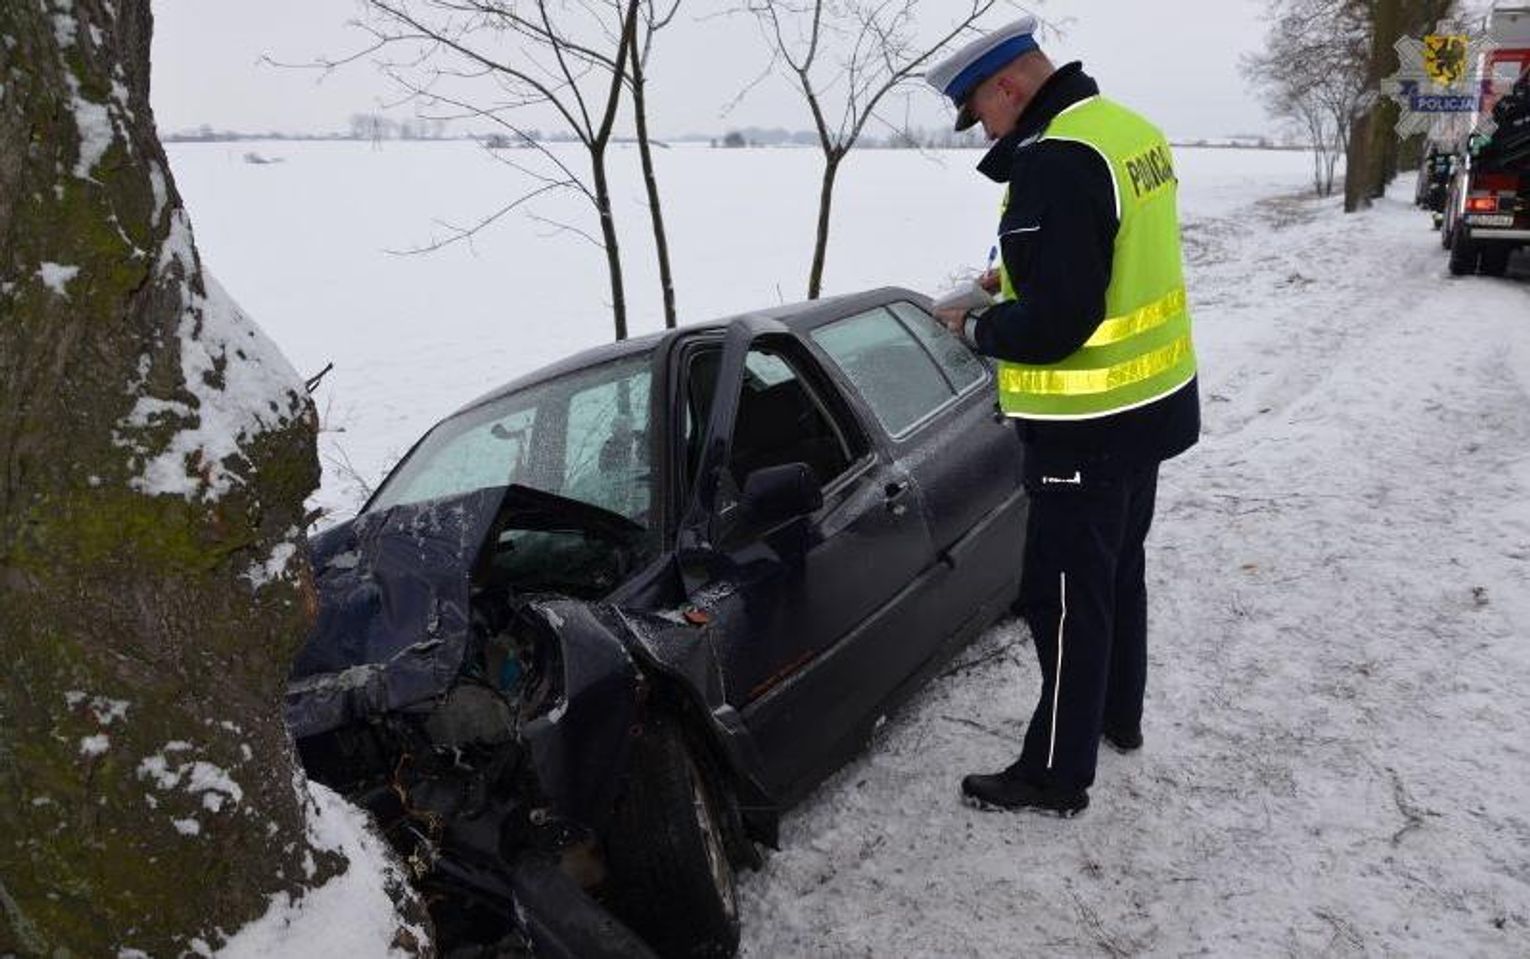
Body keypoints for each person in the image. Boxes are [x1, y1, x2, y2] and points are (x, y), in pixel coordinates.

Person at [926, 18, 1200, 817]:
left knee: (1064, 598)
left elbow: (1057, 322)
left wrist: (975, 328)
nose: (987, 130)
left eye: (982, 112)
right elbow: (1110, 254)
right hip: (1148, 407)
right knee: (1116, 571)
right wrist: (1010, 275)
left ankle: (1055, 772)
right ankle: (1116, 715)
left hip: (1087, 424)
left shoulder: (1055, 161)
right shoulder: (1125, 131)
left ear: (1009, 86)